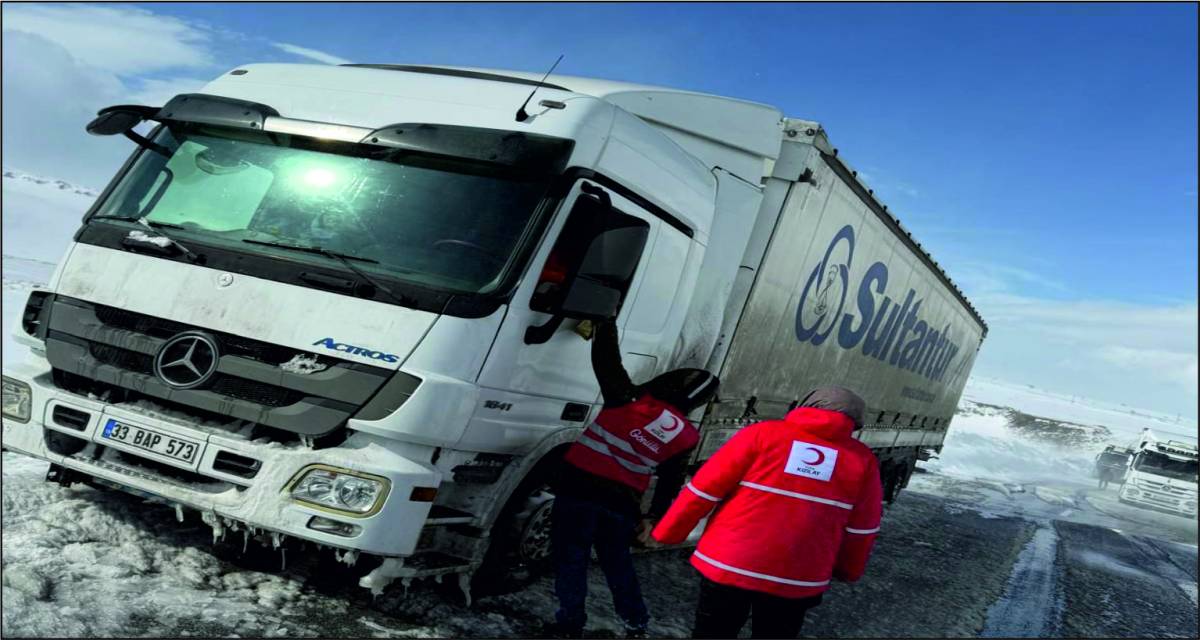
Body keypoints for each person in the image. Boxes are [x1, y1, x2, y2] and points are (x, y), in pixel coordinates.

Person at [652, 386, 882, 639]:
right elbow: (862, 527)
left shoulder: (761, 434)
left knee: (713, 632)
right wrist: (848, 569)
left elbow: (704, 490)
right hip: (799, 576)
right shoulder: (862, 460)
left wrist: (669, 533)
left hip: (730, 562)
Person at [547, 319, 719, 639]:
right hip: (621, 506)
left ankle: (570, 623)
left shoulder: (629, 398)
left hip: (578, 493)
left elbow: (606, 359)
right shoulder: (686, 436)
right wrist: (653, 517)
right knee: (618, 565)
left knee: (571, 559)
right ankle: (636, 624)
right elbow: (669, 482)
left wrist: (606, 321)